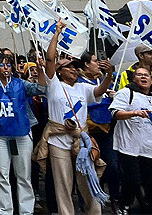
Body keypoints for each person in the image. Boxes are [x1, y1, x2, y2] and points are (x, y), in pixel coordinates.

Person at [38, 26, 114, 215]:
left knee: (88, 182)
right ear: (59, 71)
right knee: (63, 185)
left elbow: (99, 91)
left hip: (82, 142)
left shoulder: (83, 88)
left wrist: (109, 75)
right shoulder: (54, 85)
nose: (73, 69)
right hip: (58, 141)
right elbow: (50, 59)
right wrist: (56, 33)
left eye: (75, 66)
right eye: (68, 66)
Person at [0, 51, 45, 215]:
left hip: (21, 133)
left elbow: (40, 88)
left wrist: (40, 70)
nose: (6, 68)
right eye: (1, 65)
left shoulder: (21, 83)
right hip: (0, 134)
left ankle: (26, 211)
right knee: (1, 175)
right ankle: (3, 211)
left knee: (23, 175)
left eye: (8, 65)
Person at [80, 51, 120, 211]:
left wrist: (113, 97)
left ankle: (115, 200)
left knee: (113, 167)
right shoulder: (79, 83)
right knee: (93, 168)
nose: (98, 64)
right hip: (89, 132)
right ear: (86, 64)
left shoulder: (104, 80)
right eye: (95, 61)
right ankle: (93, 203)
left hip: (107, 129)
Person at [109, 66, 152, 214]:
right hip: (128, 146)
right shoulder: (126, 93)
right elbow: (115, 113)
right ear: (133, 79)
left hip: (148, 148)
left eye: (146, 75)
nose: (143, 77)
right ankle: (124, 206)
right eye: (139, 75)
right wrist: (134, 113)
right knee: (132, 181)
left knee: (149, 183)